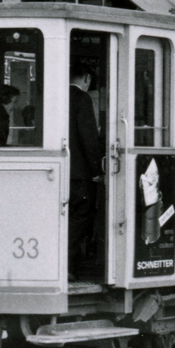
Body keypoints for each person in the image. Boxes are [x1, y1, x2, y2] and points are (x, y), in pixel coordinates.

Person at [68, 61, 104, 275]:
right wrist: (96, 171)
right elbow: (88, 137)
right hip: (80, 174)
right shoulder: (82, 98)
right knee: (81, 215)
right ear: (87, 78)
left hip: (60, 170)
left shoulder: (53, 95)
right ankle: (68, 264)